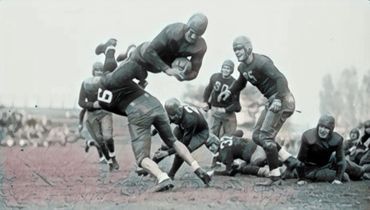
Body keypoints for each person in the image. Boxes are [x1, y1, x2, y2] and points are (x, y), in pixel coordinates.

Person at [220, 36, 296, 186]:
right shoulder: (242, 67)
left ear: (248, 48)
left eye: (239, 48)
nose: (237, 52)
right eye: (235, 50)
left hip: (283, 98)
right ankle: (291, 161)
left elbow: (281, 79)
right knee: (256, 135)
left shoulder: (262, 62)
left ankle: (275, 176)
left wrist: (279, 99)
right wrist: (229, 91)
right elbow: (241, 82)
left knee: (265, 136)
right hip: (272, 100)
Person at [102, 13, 208, 86]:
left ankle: (131, 50)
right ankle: (111, 49)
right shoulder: (173, 31)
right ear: (187, 26)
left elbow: (194, 72)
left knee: (142, 75)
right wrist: (167, 69)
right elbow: (149, 51)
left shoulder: (200, 46)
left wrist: (184, 77)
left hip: (157, 67)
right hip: (143, 56)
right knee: (112, 80)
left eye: (197, 35)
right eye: (192, 32)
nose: (193, 37)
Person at [150, 98, 217, 179]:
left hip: (200, 133)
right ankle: (150, 167)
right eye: (172, 115)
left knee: (182, 153)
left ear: (180, 109)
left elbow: (183, 146)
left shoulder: (190, 119)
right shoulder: (172, 112)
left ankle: (171, 174)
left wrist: (167, 153)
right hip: (183, 127)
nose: (175, 116)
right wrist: (152, 132)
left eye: (176, 114)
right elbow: (164, 124)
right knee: (166, 145)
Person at [296, 115, 366, 185]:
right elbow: (300, 160)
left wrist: (338, 178)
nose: (323, 130)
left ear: (331, 129)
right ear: (318, 126)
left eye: (326, 128)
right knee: (344, 177)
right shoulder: (308, 136)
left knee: (359, 171)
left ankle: (363, 174)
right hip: (313, 168)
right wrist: (301, 178)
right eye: (321, 126)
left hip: (329, 161)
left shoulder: (336, 139)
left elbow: (341, 160)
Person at [78, 61, 119, 171]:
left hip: (105, 112)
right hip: (92, 114)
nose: (99, 72)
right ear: (93, 71)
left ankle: (113, 157)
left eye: (101, 70)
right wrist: (92, 104)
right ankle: (109, 161)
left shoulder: (107, 82)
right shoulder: (86, 83)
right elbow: (81, 102)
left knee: (108, 137)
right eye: (97, 70)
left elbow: (115, 96)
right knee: (99, 141)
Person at [203, 59, 241, 138]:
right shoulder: (215, 77)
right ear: (221, 68)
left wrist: (225, 110)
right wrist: (205, 102)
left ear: (231, 70)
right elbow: (208, 89)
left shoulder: (234, 83)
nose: (225, 70)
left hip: (228, 113)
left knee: (229, 137)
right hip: (215, 111)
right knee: (211, 136)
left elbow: (236, 104)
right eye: (224, 68)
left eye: (228, 68)